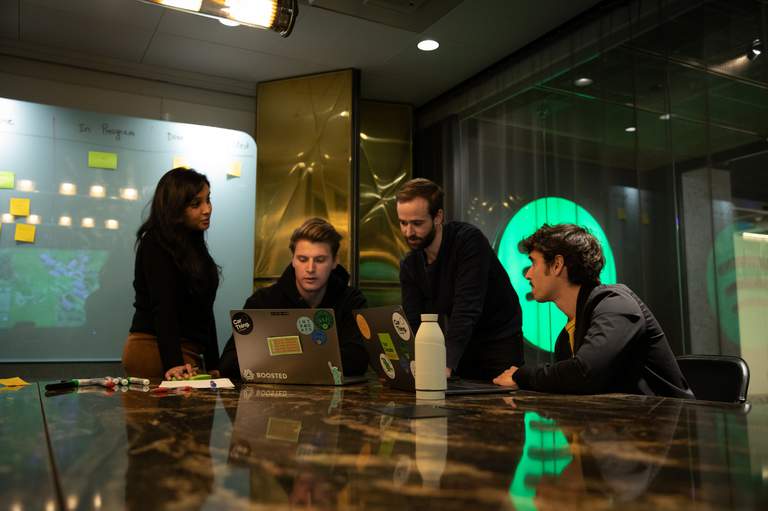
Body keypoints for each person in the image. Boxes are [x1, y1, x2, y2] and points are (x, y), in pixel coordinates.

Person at [493, 223, 694, 398]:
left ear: (557, 265)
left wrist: (522, 375)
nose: (527, 274)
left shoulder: (616, 303)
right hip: (618, 432)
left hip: (675, 433)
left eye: (533, 262)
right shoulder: (565, 338)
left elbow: (584, 373)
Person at [396, 178, 524, 381]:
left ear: (438, 217)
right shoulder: (410, 264)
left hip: (499, 341)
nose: (408, 232)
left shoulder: (468, 241)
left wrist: (444, 364)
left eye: (417, 223)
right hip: (462, 344)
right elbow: (414, 322)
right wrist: (409, 365)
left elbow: (467, 307)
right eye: (403, 223)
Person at [219, 217, 368, 379]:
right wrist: (315, 357)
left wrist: (278, 357)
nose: (310, 268)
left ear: (334, 262)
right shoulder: (262, 302)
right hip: (271, 400)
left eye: (320, 260)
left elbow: (357, 360)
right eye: (303, 259)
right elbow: (229, 362)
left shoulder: (351, 300)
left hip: (335, 400)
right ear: (293, 260)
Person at [122, 168, 221, 380]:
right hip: (155, 351)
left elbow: (205, 308)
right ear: (176, 209)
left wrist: (214, 362)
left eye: (208, 200)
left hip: (186, 353)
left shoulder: (194, 243)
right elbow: (163, 305)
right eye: (196, 204)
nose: (207, 209)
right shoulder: (156, 243)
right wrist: (173, 363)